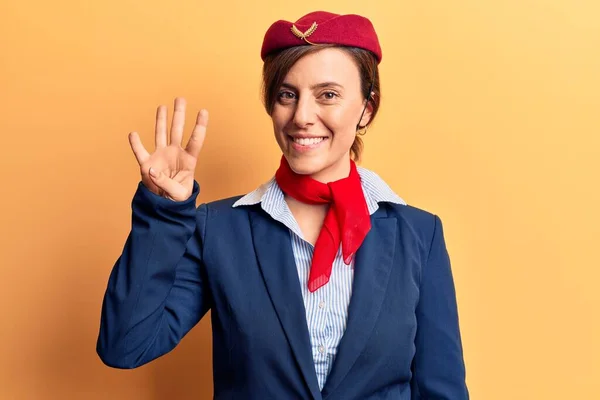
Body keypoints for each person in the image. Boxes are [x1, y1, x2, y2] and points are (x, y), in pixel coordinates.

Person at [97, 10, 469, 399]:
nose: (302, 117)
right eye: (287, 95)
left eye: (328, 95)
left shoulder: (419, 235)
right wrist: (162, 212)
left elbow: (442, 390)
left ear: (367, 108)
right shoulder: (219, 229)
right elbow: (125, 345)